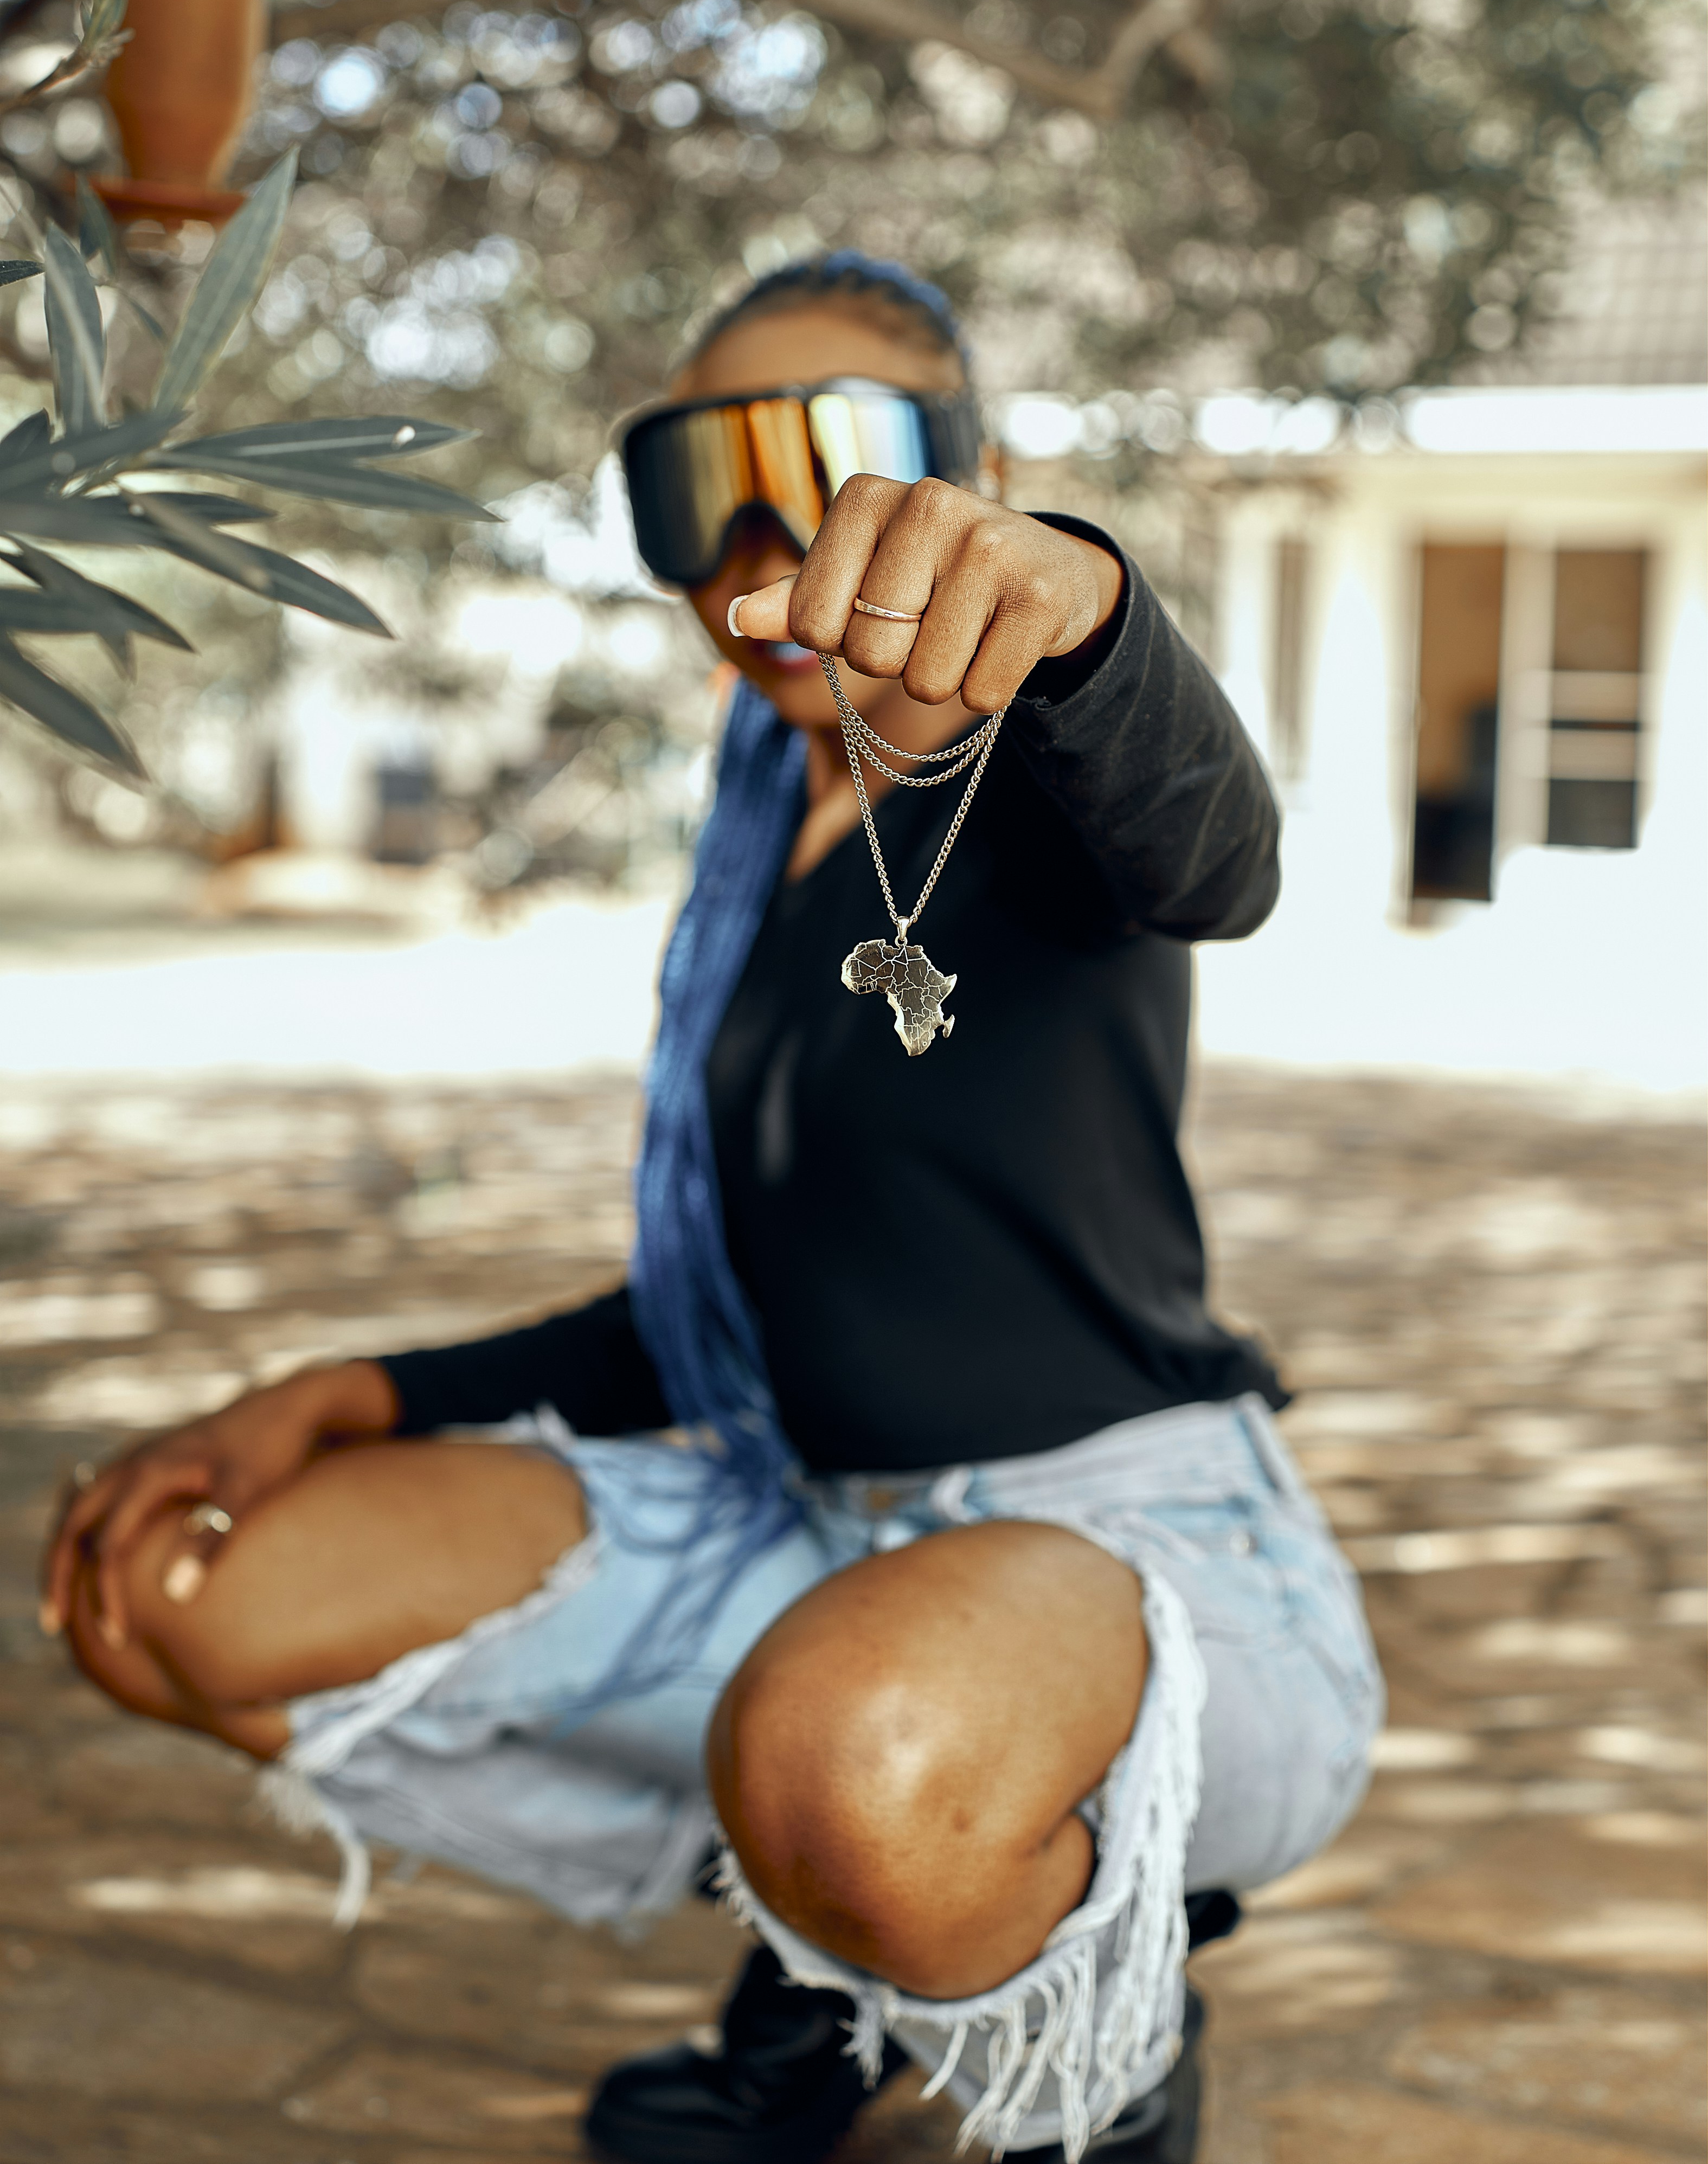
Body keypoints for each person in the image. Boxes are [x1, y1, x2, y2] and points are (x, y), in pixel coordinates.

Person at [41, 253, 1383, 2163]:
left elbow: (1216, 853)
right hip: (800, 1516)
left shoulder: (1040, 775)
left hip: (1128, 1539)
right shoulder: (762, 802)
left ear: (965, 475)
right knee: (175, 1595)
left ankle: (1092, 2022)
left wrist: (1078, 604)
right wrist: (368, 1384)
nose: (763, 528)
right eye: (699, 480)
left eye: (832, 457)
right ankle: (839, 1957)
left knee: (868, 1755)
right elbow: (746, 1286)